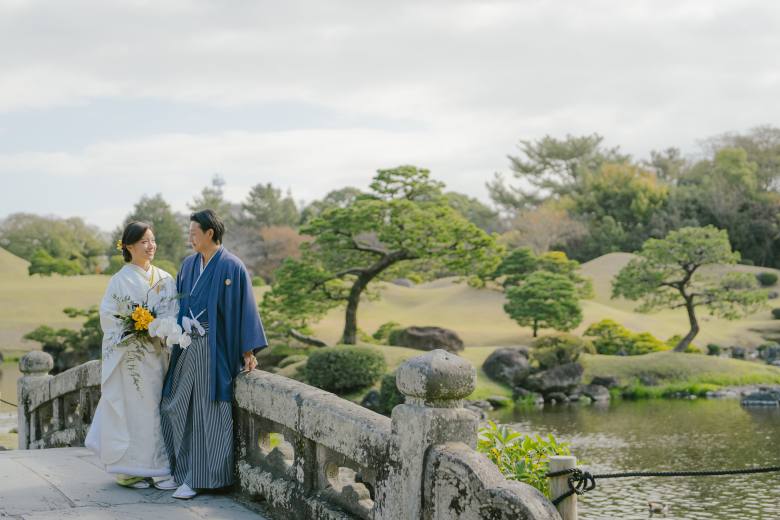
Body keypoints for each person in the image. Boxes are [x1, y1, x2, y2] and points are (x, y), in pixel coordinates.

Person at [160, 209, 267, 499]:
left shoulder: (232, 266)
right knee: (175, 404)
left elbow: (244, 309)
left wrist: (248, 350)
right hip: (186, 345)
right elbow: (181, 305)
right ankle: (180, 471)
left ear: (210, 233)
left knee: (207, 411)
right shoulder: (188, 265)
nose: (190, 238)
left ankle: (200, 478)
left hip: (212, 348)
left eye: (194, 233)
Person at [85, 222, 178, 490]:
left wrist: (163, 326)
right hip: (132, 359)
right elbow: (108, 317)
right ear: (128, 246)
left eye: (152, 240)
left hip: (158, 354)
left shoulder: (165, 278)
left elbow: (173, 312)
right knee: (137, 412)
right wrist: (134, 325)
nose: (151, 246)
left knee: (157, 410)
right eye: (144, 242)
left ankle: (158, 466)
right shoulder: (119, 280)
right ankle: (133, 471)